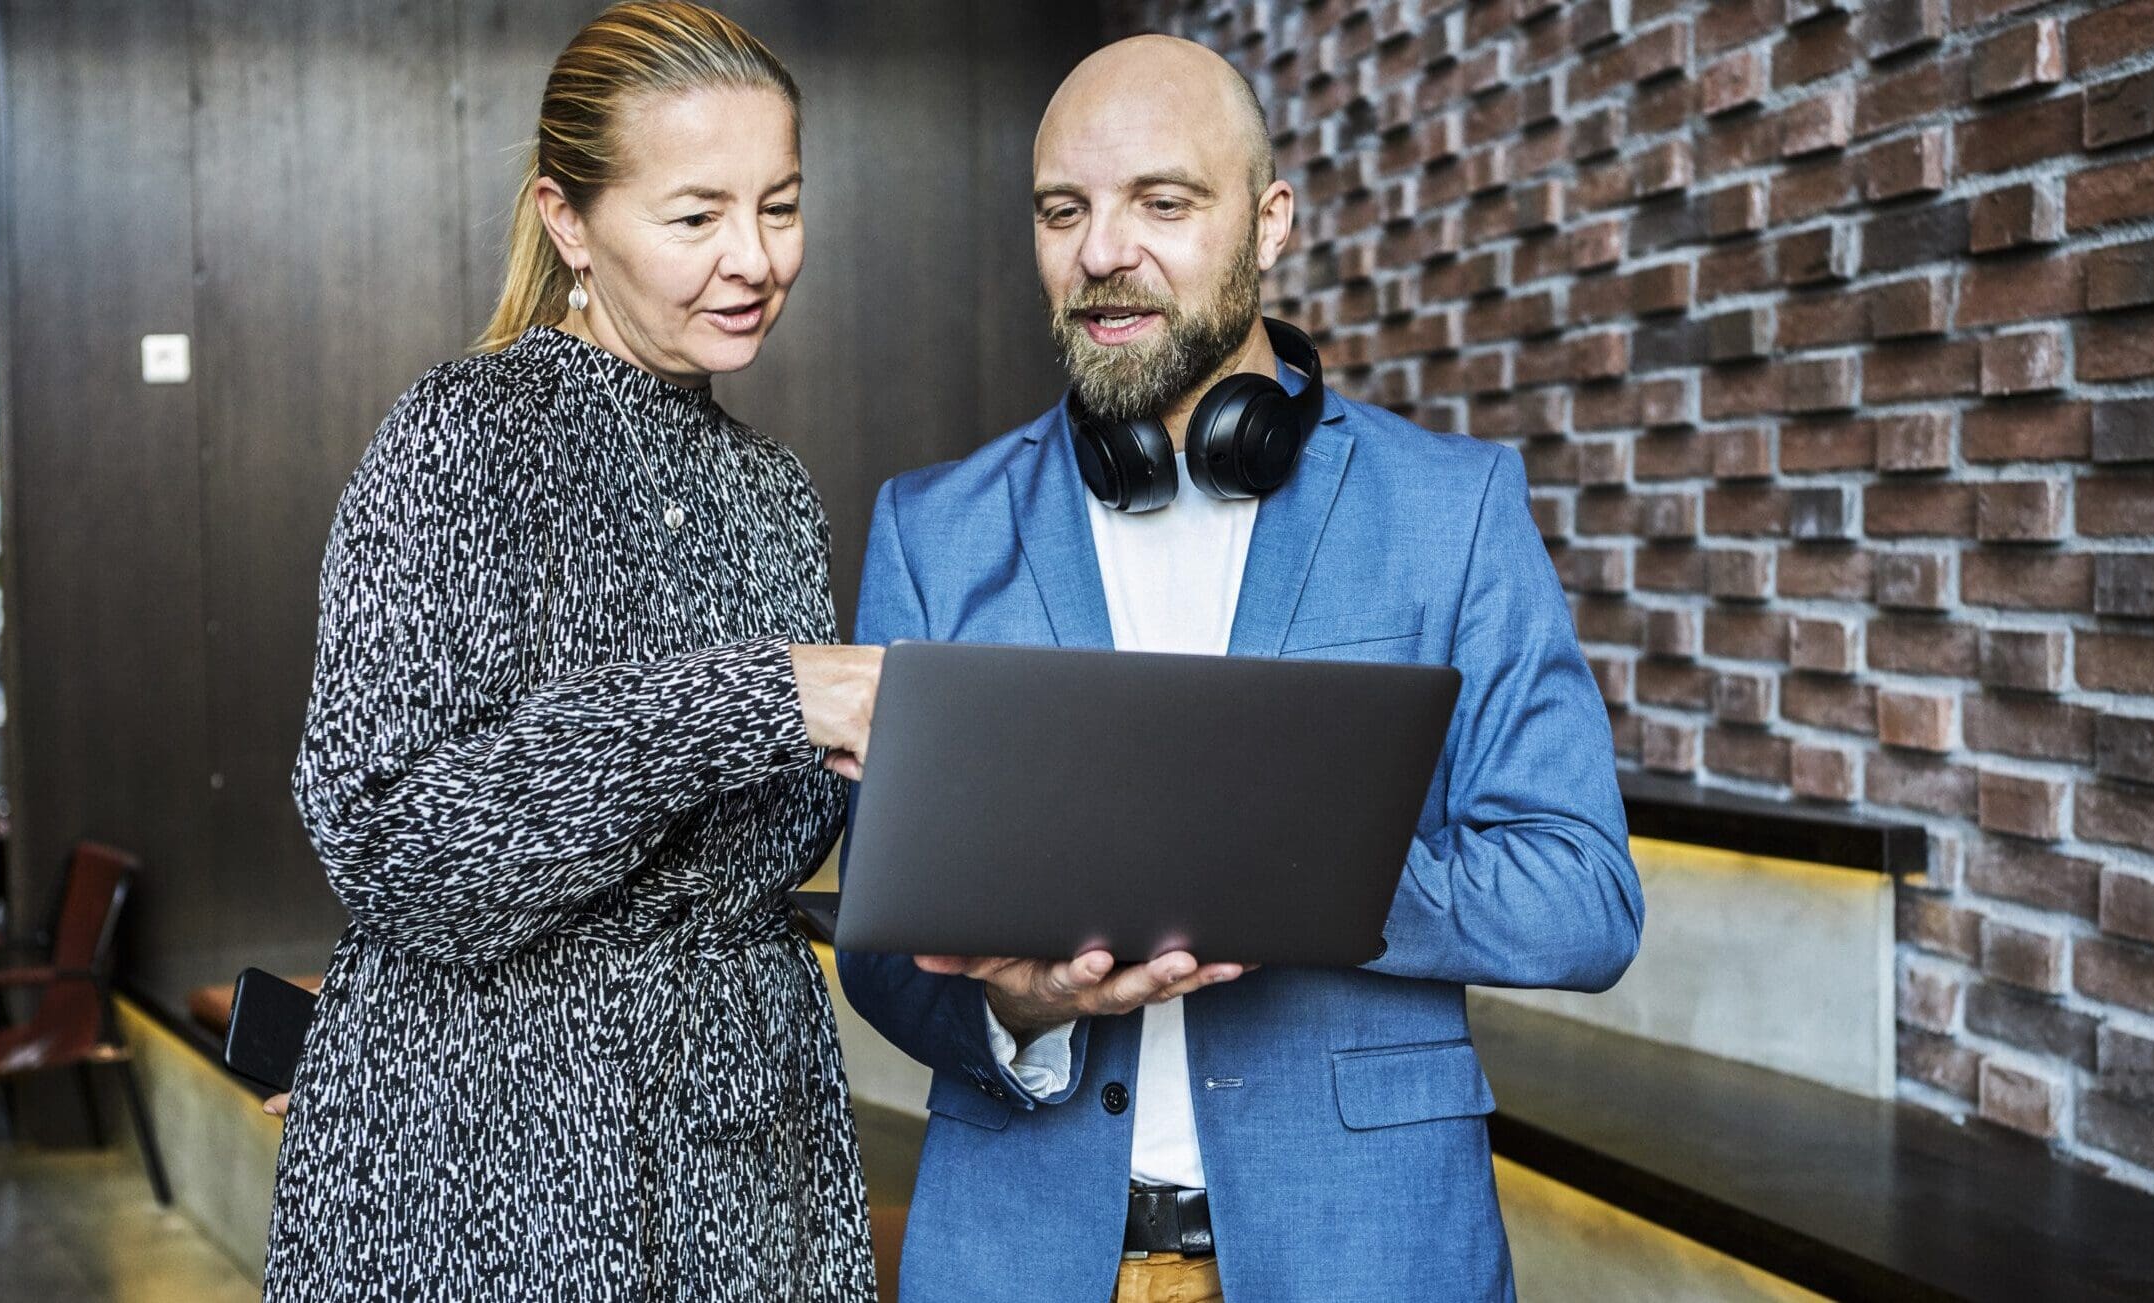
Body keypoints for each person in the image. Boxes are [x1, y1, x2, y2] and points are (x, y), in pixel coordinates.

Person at [835, 35, 1644, 1303]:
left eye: (1162, 201)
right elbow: (886, 952)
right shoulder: (932, 528)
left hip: (1365, 1256)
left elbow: (1583, 896)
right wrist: (1028, 1007)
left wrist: (1293, 867)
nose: (1104, 250)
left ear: (1268, 225)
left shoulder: (1455, 509)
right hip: (1025, 1260)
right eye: (1065, 210)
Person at [263, 4, 880, 1299]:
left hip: (743, 1132)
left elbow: (750, 848)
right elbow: (393, 849)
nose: (754, 257)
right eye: (696, 215)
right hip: (500, 1144)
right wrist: (754, 698)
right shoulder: (461, 436)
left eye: (779, 206)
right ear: (567, 220)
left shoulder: (773, 489)